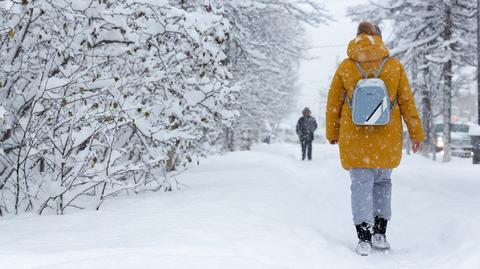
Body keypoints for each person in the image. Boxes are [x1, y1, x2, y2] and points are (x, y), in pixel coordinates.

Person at [325, 22, 425, 256]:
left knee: (360, 187)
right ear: (378, 38)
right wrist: (416, 133)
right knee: (382, 184)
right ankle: (380, 233)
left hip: (356, 138)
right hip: (386, 138)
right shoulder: (393, 66)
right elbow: (407, 102)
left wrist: (332, 132)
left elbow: (333, 104)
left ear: (358, 36)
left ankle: (363, 238)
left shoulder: (346, 67)